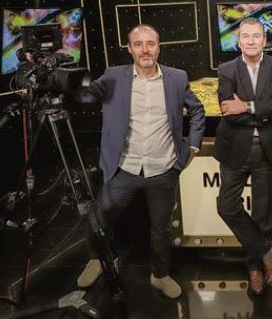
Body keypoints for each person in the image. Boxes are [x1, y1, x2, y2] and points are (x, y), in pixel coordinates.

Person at [77, 24, 205, 299]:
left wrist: (192, 145)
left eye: (150, 44)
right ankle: (97, 259)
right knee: (99, 217)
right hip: (124, 167)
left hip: (163, 168)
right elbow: (86, 96)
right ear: (130, 48)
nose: (145, 49)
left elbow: (196, 110)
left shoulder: (176, 78)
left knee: (160, 227)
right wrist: (71, 83)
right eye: (139, 44)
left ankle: (160, 275)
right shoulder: (113, 76)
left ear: (159, 47)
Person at [213, 17, 272, 295]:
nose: (250, 41)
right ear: (238, 41)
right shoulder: (226, 69)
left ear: (265, 40)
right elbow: (228, 111)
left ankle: (254, 268)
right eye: (245, 36)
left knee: (264, 214)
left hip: (269, 149)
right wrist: (265, 108)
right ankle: (265, 249)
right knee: (226, 206)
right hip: (235, 148)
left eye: (256, 36)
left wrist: (246, 106)